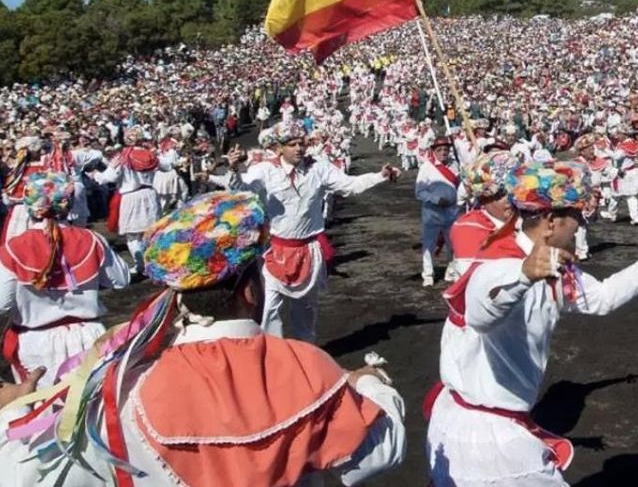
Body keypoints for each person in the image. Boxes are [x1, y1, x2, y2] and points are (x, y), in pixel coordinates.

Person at [0, 191, 407, 485]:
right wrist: (367, 383)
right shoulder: (309, 367)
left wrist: (10, 413)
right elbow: (379, 454)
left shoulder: (120, 389)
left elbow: (25, 472)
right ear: (250, 289)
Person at [425, 160, 638, 487]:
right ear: (550, 220)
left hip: (489, 423)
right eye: (576, 217)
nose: (580, 225)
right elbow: (480, 312)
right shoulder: (499, 260)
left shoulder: (551, 263)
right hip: (486, 438)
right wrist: (522, 277)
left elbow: (601, 298)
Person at [222, 120, 399, 342]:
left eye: (301, 143)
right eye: (292, 144)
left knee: (305, 313)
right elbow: (242, 191)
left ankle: (305, 356)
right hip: (274, 252)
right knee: (268, 310)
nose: (298, 148)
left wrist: (379, 176)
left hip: (309, 251)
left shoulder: (319, 167)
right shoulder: (265, 169)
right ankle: (274, 357)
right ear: (279, 147)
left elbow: (349, 185)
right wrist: (233, 169)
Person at [0, 172, 129, 389]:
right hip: (90, 336)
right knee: (94, 406)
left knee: (45, 413)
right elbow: (120, 279)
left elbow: (2, 304)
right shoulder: (91, 239)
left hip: (37, 343)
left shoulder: (12, 249)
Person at [94, 127, 164, 274]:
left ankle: (140, 266)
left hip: (131, 197)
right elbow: (166, 165)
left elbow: (109, 178)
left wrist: (96, 175)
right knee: (150, 232)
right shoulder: (149, 155)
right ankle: (154, 262)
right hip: (150, 195)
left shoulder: (124, 156)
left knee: (132, 236)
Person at [447, 150, 520, 281]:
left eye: (515, 193)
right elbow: (475, 282)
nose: (511, 201)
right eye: (501, 195)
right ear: (482, 199)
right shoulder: (469, 229)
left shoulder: (525, 220)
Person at [416, 136, 462, 286]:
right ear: (433, 151)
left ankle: (452, 270)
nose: (443, 152)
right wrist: (436, 199)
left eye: (446, 150)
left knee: (453, 243)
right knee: (429, 244)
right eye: (440, 150)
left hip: (451, 211)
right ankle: (428, 275)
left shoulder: (455, 165)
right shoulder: (426, 168)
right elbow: (419, 192)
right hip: (432, 212)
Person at [603, 125, 638, 225]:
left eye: (619, 133)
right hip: (631, 172)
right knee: (630, 197)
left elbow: (616, 156)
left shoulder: (625, 145)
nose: (617, 136)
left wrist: (604, 149)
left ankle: (612, 215)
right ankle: (635, 219)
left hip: (623, 174)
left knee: (616, 196)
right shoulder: (631, 143)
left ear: (624, 134)